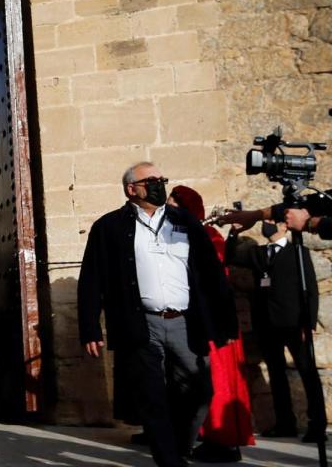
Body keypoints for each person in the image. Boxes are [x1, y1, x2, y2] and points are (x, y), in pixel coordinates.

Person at [78, 162, 237, 467]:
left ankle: (176, 449)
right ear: (131, 189)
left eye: (161, 179)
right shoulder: (109, 227)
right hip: (141, 324)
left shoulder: (186, 223)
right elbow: (92, 279)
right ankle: (169, 461)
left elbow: (211, 274)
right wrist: (89, 328)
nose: (158, 184)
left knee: (199, 391)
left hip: (185, 323)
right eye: (150, 180)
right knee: (152, 398)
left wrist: (225, 321)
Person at [167, 185, 254, 462]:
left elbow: (213, 284)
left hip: (212, 322)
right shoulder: (193, 236)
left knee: (217, 381)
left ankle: (223, 440)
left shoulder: (207, 238)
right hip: (201, 320)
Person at [226, 219, 326, 442]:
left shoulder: (298, 252)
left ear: (283, 227)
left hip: (293, 323)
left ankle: (316, 424)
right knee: (276, 373)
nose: (267, 224)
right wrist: (233, 233)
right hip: (267, 324)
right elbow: (231, 256)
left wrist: (308, 324)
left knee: (307, 373)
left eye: (272, 221)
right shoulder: (257, 253)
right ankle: (285, 423)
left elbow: (311, 290)